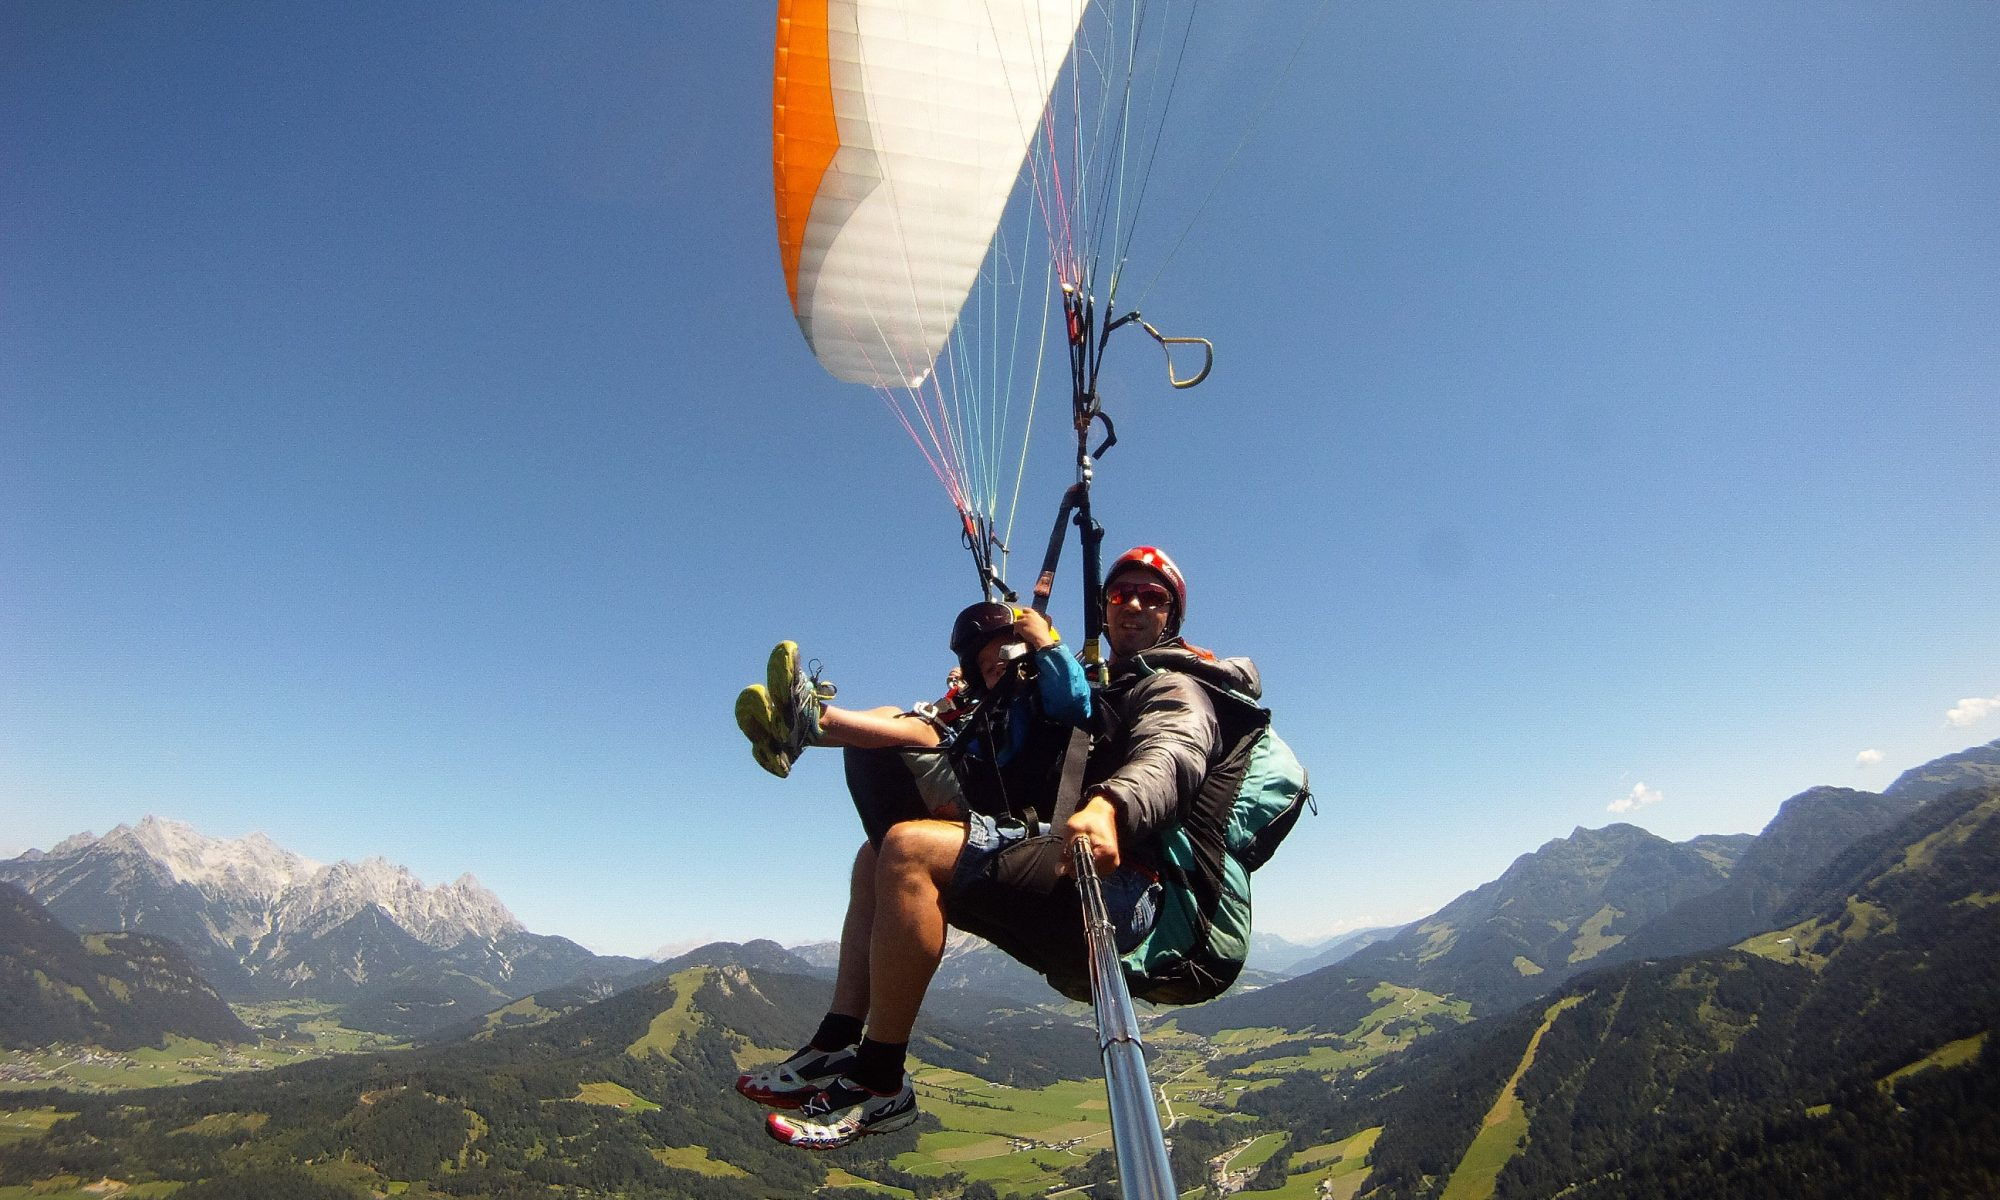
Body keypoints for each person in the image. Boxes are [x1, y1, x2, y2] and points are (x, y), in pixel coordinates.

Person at [743, 546, 1260, 1151]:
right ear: (1105, 608)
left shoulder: (1177, 686)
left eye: (1154, 598)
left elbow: (1173, 755)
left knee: (910, 849)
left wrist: (1112, 807)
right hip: (1073, 861)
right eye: (1123, 594)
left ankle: (881, 1081)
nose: (1136, 606)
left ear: (1172, 615)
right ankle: (837, 1038)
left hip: (1135, 895)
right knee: (876, 856)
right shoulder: (1108, 684)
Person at [731, 601, 1094, 1143]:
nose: (994, 666)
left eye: (1004, 655)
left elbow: (1078, 702)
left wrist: (1044, 641)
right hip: (979, 803)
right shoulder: (986, 706)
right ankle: (837, 1037)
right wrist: (960, 698)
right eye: (984, 663)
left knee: (912, 733)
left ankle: (810, 723)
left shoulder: (1045, 692)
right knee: (872, 856)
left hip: (1020, 826)